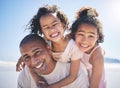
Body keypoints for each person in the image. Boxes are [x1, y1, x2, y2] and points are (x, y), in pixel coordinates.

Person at [17, 5, 86, 88]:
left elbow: (72, 76)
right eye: (46, 27)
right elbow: (30, 51)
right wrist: (23, 59)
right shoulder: (46, 42)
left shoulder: (74, 48)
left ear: (63, 24)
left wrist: (50, 87)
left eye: (55, 24)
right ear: (42, 31)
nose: (51, 29)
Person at [17, 34, 89, 88]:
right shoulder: (25, 74)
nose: (33, 61)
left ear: (48, 48)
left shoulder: (75, 71)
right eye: (27, 57)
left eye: (37, 52)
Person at [70, 6, 106, 88]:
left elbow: (94, 86)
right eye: (81, 34)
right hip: (83, 76)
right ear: (74, 33)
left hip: (97, 81)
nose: (85, 40)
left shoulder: (97, 56)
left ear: (97, 37)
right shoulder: (71, 39)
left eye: (91, 36)